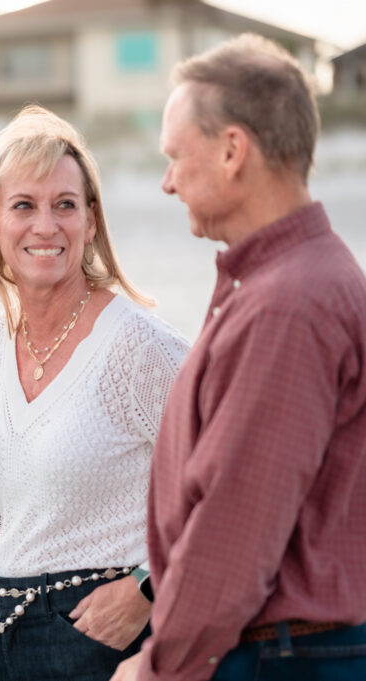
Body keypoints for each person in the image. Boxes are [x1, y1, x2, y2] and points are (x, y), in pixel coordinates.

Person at [110, 34, 366, 681]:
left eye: (175, 156)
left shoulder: (290, 302)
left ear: (231, 151)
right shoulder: (288, 282)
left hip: (286, 655)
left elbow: (236, 525)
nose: (167, 182)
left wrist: (159, 666)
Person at [0, 104, 189, 681]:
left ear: (91, 220)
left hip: (101, 637)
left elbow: (226, 480)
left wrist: (147, 589)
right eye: (24, 206)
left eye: (65, 205)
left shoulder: (139, 346)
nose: (46, 226)